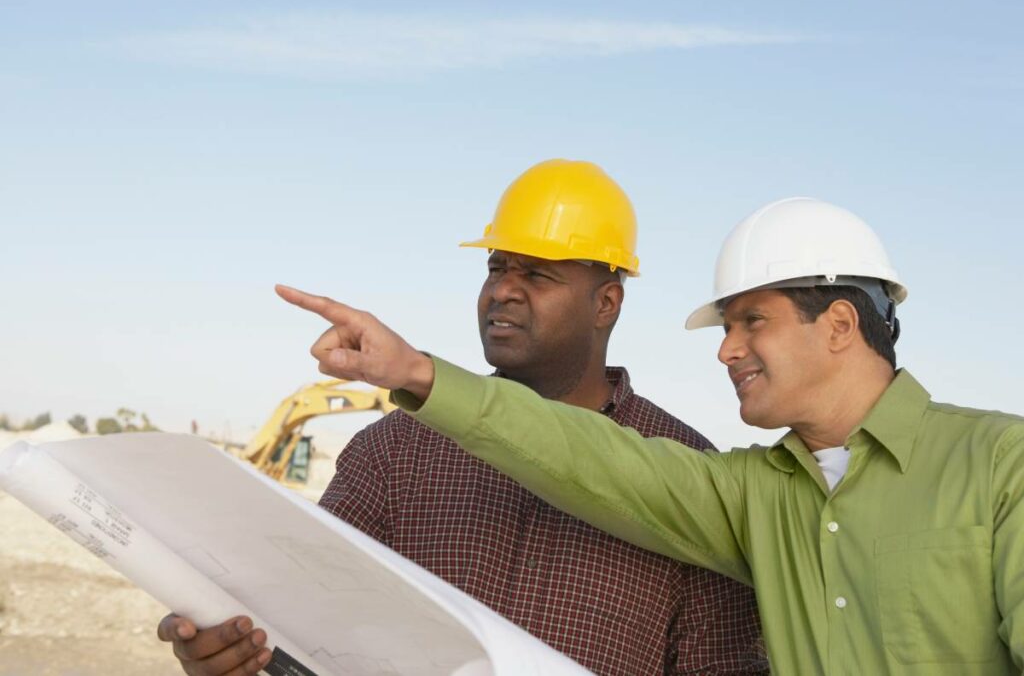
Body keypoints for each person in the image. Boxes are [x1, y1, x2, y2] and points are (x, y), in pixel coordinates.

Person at [279, 196, 1024, 674]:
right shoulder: (746, 493)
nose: (726, 350)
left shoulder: (999, 463)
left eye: (751, 322)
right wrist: (415, 370)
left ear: (837, 324)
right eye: (726, 326)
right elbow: (588, 454)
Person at [160, 160, 766, 675]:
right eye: (497, 268)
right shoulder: (395, 452)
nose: (503, 290)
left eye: (537, 274)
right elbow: (304, 627)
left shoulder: (690, 480)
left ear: (605, 303)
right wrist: (235, 650)